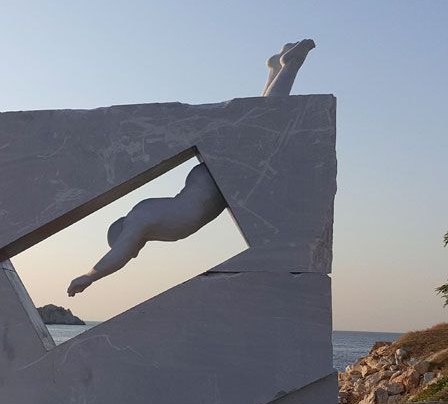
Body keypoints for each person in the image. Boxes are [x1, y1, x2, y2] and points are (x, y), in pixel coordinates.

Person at [67, 39, 316, 297]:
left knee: (267, 128)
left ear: (122, 232)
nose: (133, 253)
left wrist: (89, 277)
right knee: (259, 130)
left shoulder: (138, 221)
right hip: (209, 184)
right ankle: (276, 69)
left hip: (212, 182)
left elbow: (116, 256)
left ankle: (289, 66)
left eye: (129, 249)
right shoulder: (145, 217)